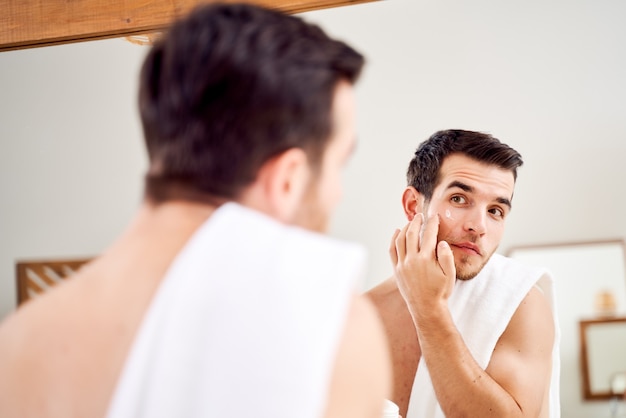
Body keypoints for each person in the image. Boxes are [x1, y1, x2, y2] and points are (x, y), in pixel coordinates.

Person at [0, 4, 391, 418]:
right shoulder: (327, 331)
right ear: (288, 178)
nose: (337, 193)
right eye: (338, 164)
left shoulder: (17, 342)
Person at [367, 129, 560, 418]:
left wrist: (429, 310)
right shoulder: (359, 315)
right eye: (459, 199)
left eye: (496, 210)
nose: (478, 226)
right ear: (412, 206)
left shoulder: (521, 303)